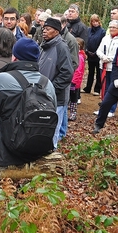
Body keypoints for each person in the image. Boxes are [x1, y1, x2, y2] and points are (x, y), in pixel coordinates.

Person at [0, 38, 56, 166]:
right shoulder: (47, 83)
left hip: (3, 149)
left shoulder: (2, 78)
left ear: (15, 56)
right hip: (36, 148)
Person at [38, 18, 74, 148]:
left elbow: (67, 73)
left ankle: (52, 154)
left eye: (48, 29)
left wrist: (51, 88)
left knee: (53, 129)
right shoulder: (44, 45)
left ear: (57, 31)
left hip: (56, 98)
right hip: (42, 95)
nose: (44, 31)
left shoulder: (61, 47)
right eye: (44, 29)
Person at [95, 20, 118, 117]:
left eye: (114, 27)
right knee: (103, 87)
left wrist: (110, 59)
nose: (111, 29)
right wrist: (103, 57)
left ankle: (111, 109)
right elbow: (98, 50)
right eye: (110, 27)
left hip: (113, 68)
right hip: (103, 66)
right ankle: (103, 108)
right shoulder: (105, 38)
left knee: (111, 88)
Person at [83, 14, 105, 95]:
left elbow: (102, 43)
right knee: (90, 71)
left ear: (99, 21)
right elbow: (86, 40)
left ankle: (97, 89)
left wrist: (96, 53)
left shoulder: (102, 31)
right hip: (89, 54)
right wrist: (87, 51)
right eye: (93, 21)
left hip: (98, 55)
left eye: (96, 21)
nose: (95, 23)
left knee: (98, 72)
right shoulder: (88, 30)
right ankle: (87, 88)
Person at [68, 38, 86, 121]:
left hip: (74, 82)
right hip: (71, 80)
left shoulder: (80, 57)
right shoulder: (74, 55)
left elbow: (78, 71)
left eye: (78, 45)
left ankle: (73, 113)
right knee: (70, 97)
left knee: (73, 98)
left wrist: (74, 82)